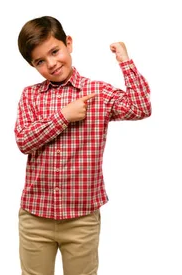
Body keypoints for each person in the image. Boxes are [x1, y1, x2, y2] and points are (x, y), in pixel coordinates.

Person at [15, 15, 151, 275]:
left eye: (55, 51)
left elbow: (141, 107)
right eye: (40, 61)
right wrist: (64, 116)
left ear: (68, 43)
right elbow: (24, 140)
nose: (52, 64)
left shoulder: (97, 92)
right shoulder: (30, 96)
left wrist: (125, 62)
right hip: (35, 218)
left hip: (81, 219)